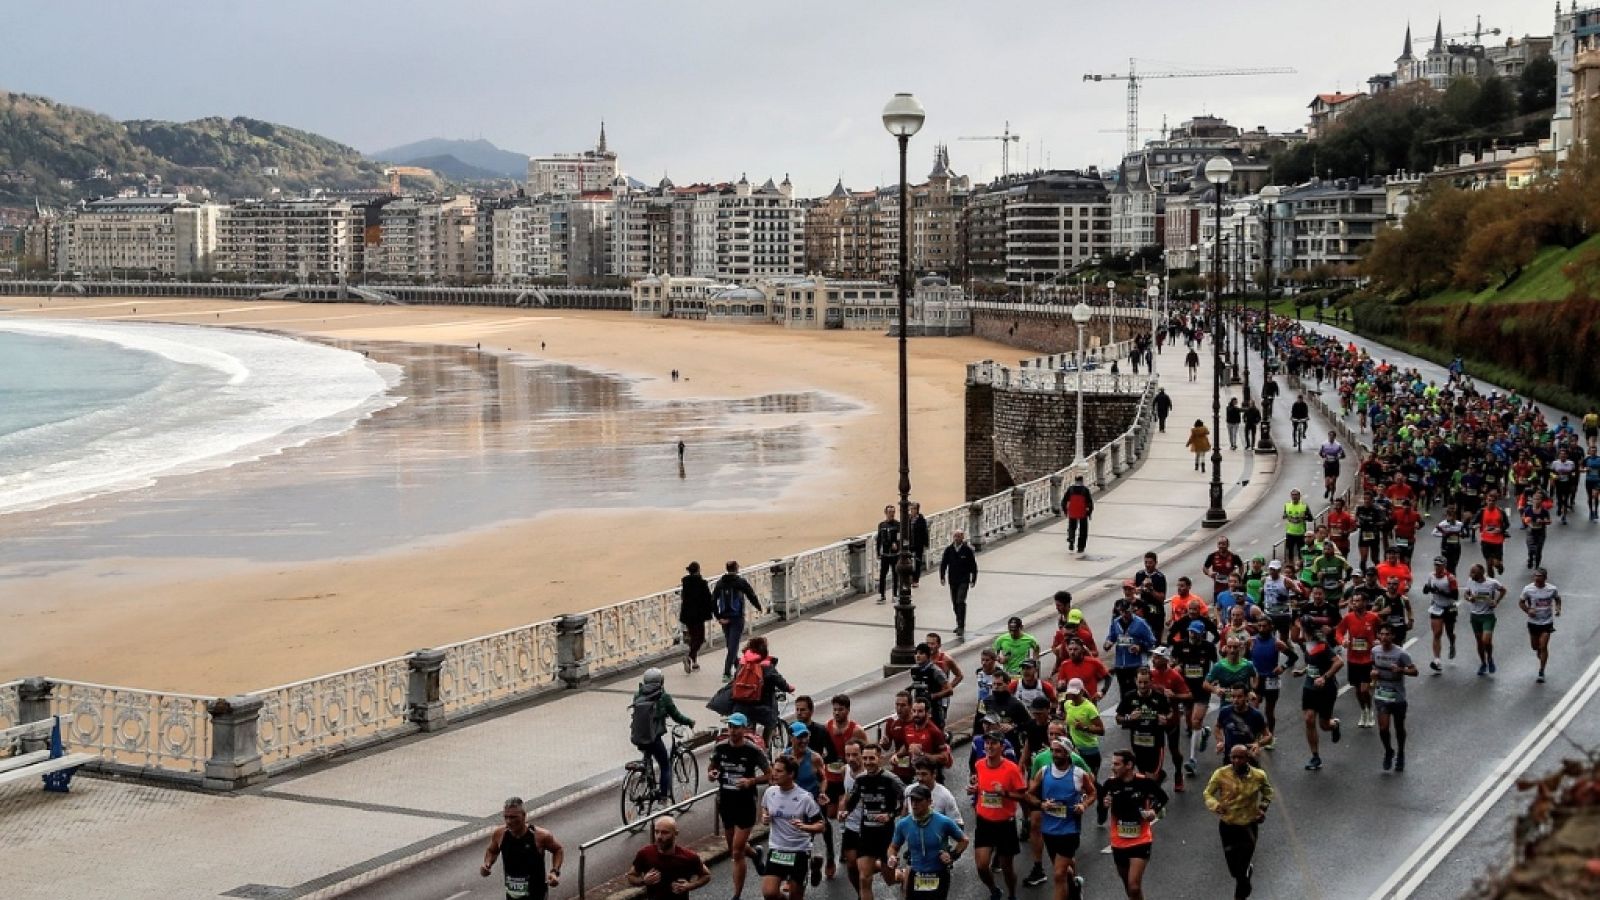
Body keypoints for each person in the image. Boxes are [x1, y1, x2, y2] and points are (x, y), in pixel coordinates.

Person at [708, 713, 769, 900]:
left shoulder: (753, 750)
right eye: (730, 727)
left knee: (736, 852)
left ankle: (736, 895)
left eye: (736, 727)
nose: (733, 731)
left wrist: (751, 781)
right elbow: (712, 768)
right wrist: (712, 774)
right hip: (726, 802)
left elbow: (770, 775)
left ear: (744, 729)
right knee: (735, 848)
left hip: (745, 804)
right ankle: (756, 853)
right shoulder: (720, 747)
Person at [1027, 738, 1095, 900]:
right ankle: (1075, 886)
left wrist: (1083, 805)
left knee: (1058, 875)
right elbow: (1029, 795)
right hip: (1049, 830)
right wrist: (1041, 804)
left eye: (1058, 751)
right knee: (1065, 871)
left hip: (1070, 829)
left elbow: (1092, 793)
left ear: (1067, 753)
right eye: (1052, 750)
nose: (1054, 754)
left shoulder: (1079, 774)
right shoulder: (1044, 772)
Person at [1204, 746, 1274, 900]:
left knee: (1241, 874)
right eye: (1233, 757)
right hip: (1228, 827)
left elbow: (1269, 793)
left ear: (1247, 758)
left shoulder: (1258, 776)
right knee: (1234, 871)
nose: (1236, 760)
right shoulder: (1221, 774)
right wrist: (1215, 805)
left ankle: (1239, 896)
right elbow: (1207, 793)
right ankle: (1245, 873)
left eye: (1240, 757)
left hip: (1248, 827)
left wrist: (1262, 809)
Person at [969, 720, 1028, 900]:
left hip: (1005, 824)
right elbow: (981, 787)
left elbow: (1022, 796)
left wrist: (1004, 793)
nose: (989, 746)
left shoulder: (1011, 769)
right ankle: (994, 890)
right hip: (985, 822)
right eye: (987, 743)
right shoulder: (979, 764)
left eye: (993, 743)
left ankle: (1011, 895)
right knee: (981, 866)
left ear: (1002, 747)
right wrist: (975, 789)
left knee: (1007, 867)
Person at [1100, 749, 1168, 900]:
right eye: (1112, 763)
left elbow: (1163, 798)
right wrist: (1105, 804)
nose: (1112, 767)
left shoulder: (1144, 782)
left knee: (1134, 885)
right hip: (1118, 842)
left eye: (1117, 764)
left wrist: (1153, 811)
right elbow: (1101, 806)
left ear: (1129, 765)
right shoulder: (1110, 784)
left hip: (1141, 840)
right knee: (1130, 888)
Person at [840, 744, 904, 900]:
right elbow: (853, 800)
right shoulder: (860, 779)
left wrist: (891, 815)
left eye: (872, 758)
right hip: (866, 834)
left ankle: (902, 876)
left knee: (889, 879)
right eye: (865, 758)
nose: (868, 762)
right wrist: (845, 812)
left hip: (886, 836)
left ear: (880, 759)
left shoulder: (891, 779)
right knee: (864, 878)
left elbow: (905, 800)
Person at [760, 755, 826, 900]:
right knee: (769, 894)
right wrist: (765, 817)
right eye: (774, 770)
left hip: (799, 851)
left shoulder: (804, 798)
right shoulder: (770, 792)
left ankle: (813, 863)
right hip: (777, 849)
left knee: (796, 896)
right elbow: (764, 808)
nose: (774, 774)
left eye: (779, 771)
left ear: (791, 774)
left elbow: (821, 826)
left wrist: (804, 826)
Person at [888, 783, 968, 900]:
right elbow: (893, 847)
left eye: (919, 801)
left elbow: (964, 840)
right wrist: (892, 857)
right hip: (916, 873)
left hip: (939, 873)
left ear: (930, 802)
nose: (914, 804)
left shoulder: (943, 821)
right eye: (912, 800)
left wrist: (952, 856)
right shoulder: (904, 824)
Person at [481, 796, 564, 900]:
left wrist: (554, 871)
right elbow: (492, 851)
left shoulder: (540, 836)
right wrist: (487, 864)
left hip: (536, 894)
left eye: (513, 817)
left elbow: (558, 850)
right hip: (512, 895)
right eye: (506, 817)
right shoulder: (500, 834)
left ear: (524, 816)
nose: (509, 821)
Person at [631, 668, 696, 800]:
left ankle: (646, 777)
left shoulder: (638, 695)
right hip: (654, 738)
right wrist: (689, 721)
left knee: (647, 756)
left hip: (638, 736)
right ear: (661, 681)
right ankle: (663, 798)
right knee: (665, 766)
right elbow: (676, 715)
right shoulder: (664, 696)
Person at [1371, 624, 1418, 772]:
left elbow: (1415, 671)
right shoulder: (1374, 651)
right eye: (1382, 634)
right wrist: (1373, 674)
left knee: (1399, 727)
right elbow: (1372, 667)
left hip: (1397, 695)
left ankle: (1401, 753)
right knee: (1383, 727)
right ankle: (1388, 751)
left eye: (1387, 635)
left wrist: (1401, 670)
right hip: (1381, 693)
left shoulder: (1401, 654)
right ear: (1379, 636)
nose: (1384, 637)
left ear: (1392, 636)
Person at [628, 817, 712, 900]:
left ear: (676, 833)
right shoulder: (645, 853)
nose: (659, 837)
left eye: (665, 833)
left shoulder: (688, 857)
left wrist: (689, 886)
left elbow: (706, 875)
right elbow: (631, 876)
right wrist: (644, 881)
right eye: (657, 832)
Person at [1299, 617, 1343, 771]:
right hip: (1309, 687)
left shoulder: (1322, 645)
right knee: (1309, 719)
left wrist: (1324, 677)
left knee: (1324, 725)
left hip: (1326, 688)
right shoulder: (1308, 644)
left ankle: (1334, 725)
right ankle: (1315, 756)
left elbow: (1339, 662)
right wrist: (1303, 671)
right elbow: (1313, 663)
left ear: (1306, 630)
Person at [1335, 594, 1381, 729]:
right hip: (1353, 658)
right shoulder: (1348, 618)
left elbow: (1381, 631)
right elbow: (1338, 631)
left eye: (1358, 601)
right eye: (1353, 601)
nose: (1355, 603)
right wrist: (1342, 641)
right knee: (1357, 690)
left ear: (1365, 602)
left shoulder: (1373, 617)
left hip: (1368, 658)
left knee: (1365, 689)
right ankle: (1363, 711)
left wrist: (1378, 640)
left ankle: (1370, 710)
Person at [714, 561, 764, 680]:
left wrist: (719, 617)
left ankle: (738, 667)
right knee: (733, 646)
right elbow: (751, 594)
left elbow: (713, 601)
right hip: (737, 618)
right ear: (736, 569)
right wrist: (758, 606)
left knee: (730, 644)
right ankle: (726, 672)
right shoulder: (740, 582)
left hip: (724, 617)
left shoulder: (720, 583)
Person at [1518, 568, 1562, 684]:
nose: (1537, 578)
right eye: (1535, 576)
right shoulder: (1528, 589)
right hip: (1533, 622)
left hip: (1547, 622)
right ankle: (1541, 655)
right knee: (1535, 647)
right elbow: (1521, 602)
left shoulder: (1552, 589)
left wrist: (1558, 609)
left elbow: (1557, 599)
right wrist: (1528, 610)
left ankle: (1541, 671)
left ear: (1545, 578)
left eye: (1539, 576)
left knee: (1543, 646)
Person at [1104, 604, 1157, 698]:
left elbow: (1152, 641)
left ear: (1132, 609)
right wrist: (1108, 644)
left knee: (1139, 692)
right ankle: (1125, 711)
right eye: (1122, 612)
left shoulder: (1141, 623)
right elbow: (1111, 637)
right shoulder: (1116, 622)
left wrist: (1140, 647)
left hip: (1137, 664)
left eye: (1127, 611)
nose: (1125, 614)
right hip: (1120, 665)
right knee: (1124, 694)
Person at [1464, 563, 1507, 677]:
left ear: (1481, 573)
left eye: (1473, 572)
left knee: (1486, 641)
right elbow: (1466, 594)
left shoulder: (1492, 583)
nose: (1470, 574)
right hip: (1475, 616)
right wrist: (1470, 598)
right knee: (1479, 642)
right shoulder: (1470, 581)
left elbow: (1503, 590)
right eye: (1471, 572)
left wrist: (1496, 602)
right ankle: (1483, 663)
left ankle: (1490, 658)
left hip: (1488, 616)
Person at [1420, 556, 1460, 674]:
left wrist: (1440, 592)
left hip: (1449, 607)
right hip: (1437, 607)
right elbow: (1425, 590)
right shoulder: (1431, 576)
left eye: (1439, 565)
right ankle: (1437, 660)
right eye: (1435, 565)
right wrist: (1427, 589)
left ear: (1444, 566)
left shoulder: (1450, 578)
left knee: (1449, 632)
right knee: (1437, 633)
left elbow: (1455, 596)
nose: (1437, 567)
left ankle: (1452, 644)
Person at [938, 530, 978, 635]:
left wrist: (973, 579)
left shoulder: (967, 550)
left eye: (959, 536)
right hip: (953, 580)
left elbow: (973, 566)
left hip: (964, 580)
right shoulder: (949, 550)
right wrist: (942, 576)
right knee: (955, 603)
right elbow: (943, 564)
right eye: (955, 536)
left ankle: (961, 626)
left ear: (962, 537)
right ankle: (958, 621)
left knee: (960, 601)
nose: (956, 538)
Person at [679, 562, 714, 673]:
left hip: (687, 615)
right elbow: (707, 598)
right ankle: (689, 657)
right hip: (698, 615)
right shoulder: (701, 583)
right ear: (698, 570)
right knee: (699, 638)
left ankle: (694, 662)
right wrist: (712, 611)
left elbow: (683, 597)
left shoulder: (685, 582)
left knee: (694, 637)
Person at [875, 504, 903, 604]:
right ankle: (882, 595)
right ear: (886, 513)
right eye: (890, 512)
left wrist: (897, 545)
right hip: (885, 555)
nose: (892, 514)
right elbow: (879, 539)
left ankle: (895, 594)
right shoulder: (881, 525)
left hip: (895, 555)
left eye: (893, 512)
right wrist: (878, 552)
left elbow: (900, 538)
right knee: (882, 575)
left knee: (896, 575)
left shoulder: (897, 524)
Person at [1062, 475, 1094, 556]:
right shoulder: (1085, 490)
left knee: (1072, 527)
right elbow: (1090, 503)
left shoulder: (1070, 489)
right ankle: (1080, 547)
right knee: (1083, 530)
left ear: (1075, 481)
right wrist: (1089, 513)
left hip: (1072, 511)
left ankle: (1071, 540)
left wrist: (1066, 511)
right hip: (1082, 512)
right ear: (1082, 481)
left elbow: (1064, 501)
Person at [1319, 430, 1346, 501]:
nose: (1331, 437)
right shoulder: (1324, 444)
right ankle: (1327, 490)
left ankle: (1332, 496)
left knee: (1333, 482)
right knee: (1327, 483)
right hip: (1327, 464)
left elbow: (1343, 455)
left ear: (1334, 437)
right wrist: (1324, 455)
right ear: (1328, 436)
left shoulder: (1338, 445)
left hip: (1335, 465)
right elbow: (1320, 453)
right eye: (1329, 436)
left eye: (1332, 436)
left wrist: (1338, 457)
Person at [909, 502, 930, 589]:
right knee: (908, 562)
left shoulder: (921, 520)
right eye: (911, 508)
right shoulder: (908, 519)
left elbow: (925, 532)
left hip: (918, 544)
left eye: (914, 508)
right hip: (909, 544)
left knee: (917, 562)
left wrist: (926, 544)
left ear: (917, 510)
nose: (912, 510)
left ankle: (915, 580)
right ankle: (909, 578)